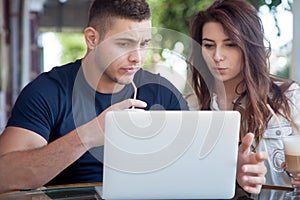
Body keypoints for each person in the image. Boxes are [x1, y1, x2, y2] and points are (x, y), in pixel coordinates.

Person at [0, 0, 265, 195]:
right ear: (92, 38)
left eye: (144, 43)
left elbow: (189, 177)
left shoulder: (163, 93)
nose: (137, 57)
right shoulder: (48, 92)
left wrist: (231, 172)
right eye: (124, 44)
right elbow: (5, 176)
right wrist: (89, 135)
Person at [189, 0, 300, 199]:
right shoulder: (191, 108)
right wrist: (233, 178)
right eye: (208, 45)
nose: (217, 56)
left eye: (230, 44)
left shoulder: (289, 98)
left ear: (249, 46)